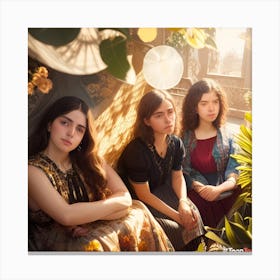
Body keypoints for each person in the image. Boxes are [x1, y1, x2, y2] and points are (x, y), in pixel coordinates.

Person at [28, 95, 174, 252]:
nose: (71, 133)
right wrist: (107, 209)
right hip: (55, 242)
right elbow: (66, 215)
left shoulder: (89, 159)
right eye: (65, 123)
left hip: (90, 228)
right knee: (93, 245)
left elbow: (125, 198)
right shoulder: (32, 170)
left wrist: (86, 217)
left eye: (79, 129)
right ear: (50, 125)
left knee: (137, 213)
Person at [118, 89, 205, 251]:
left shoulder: (176, 143)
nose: (168, 119)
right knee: (174, 228)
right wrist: (177, 216)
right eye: (159, 115)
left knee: (193, 213)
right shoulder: (137, 151)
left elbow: (177, 177)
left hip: (162, 190)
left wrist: (183, 203)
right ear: (146, 121)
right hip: (140, 200)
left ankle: (199, 252)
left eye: (170, 112)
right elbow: (144, 194)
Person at [180, 78, 241, 228]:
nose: (211, 108)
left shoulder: (229, 135)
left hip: (227, 190)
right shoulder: (184, 137)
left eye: (215, 102)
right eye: (204, 103)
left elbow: (234, 170)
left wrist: (218, 189)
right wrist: (201, 188)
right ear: (194, 107)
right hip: (197, 191)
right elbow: (184, 171)